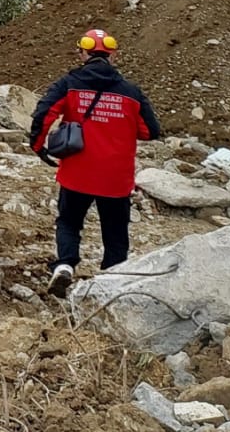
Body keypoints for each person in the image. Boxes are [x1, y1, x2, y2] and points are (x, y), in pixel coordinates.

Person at [31, 28, 161, 295]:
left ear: (82, 53)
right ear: (112, 56)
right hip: (116, 178)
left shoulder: (68, 84)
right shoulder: (131, 92)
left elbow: (44, 113)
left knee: (69, 221)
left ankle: (65, 264)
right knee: (115, 232)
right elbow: (150, 131)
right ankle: (113, 281)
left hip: (77, 172)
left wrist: (38, 146)